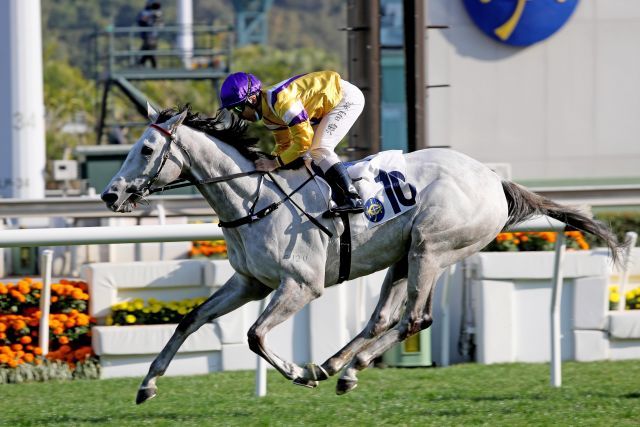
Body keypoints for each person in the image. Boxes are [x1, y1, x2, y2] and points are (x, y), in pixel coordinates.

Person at [218, 70, 365, 214]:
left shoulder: (282, 101)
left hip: (345, 98)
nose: (239, 116)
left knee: (319, 149)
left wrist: (274, 163)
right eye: (233, 111)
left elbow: (303, 141)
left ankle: (353, 198)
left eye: (238, 108)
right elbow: (285, 146)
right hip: (323, 106)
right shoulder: (268, 117)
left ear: (253, 99)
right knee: (305, 156)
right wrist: (269, 164)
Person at [136, 0, 163, 68]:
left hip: (154, 37)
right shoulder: (144, 12)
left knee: (148, 51)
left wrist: (158, 17)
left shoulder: (157, 13)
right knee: (149, 51)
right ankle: (153, 66)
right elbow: (141, 21)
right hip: (147, 36)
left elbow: (160, 25)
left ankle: (142, 65)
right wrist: (151, 15)